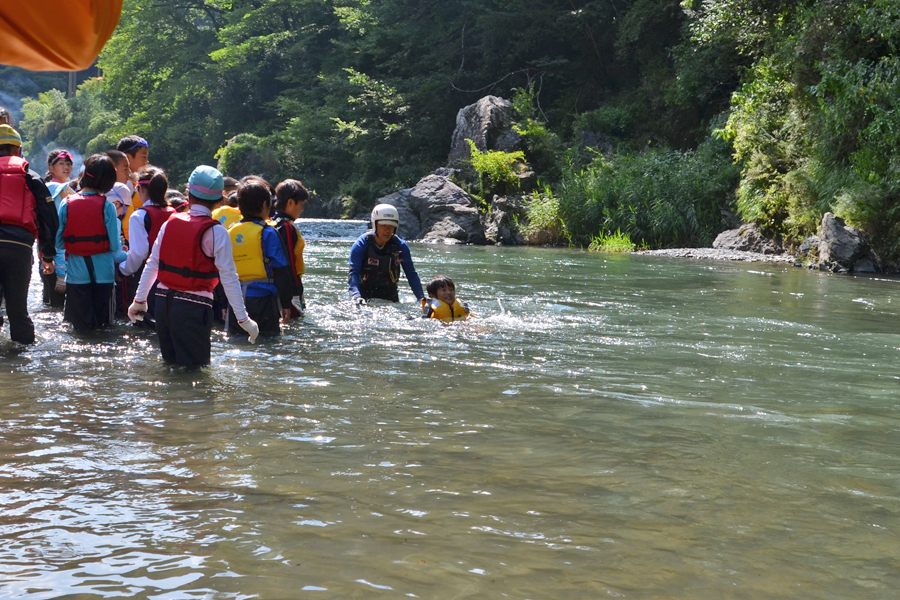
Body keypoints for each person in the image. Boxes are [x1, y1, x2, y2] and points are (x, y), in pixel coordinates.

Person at [127, 165, 259, 365]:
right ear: (219, 200)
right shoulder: (217, 232)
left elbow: (152, 265)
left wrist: (139, 300)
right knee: (194, 372)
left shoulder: (169, 223)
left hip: (163, 304)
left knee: (170, 366)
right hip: (193, 308)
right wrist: (243, 320)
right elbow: (229, 278)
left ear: (188, 193)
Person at [56, 153, 127, 333]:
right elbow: (115, 249)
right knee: (104, 330)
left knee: (81, 330)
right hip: (104, 276)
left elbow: (59, 243)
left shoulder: (66, 203)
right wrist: (128, 255)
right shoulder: (108, 206)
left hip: (76, 278)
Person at [0, 124, 58, 344]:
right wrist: (48, 254)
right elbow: (49, 217)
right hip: (19, 248)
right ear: (18, 150)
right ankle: (22, 363)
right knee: (18, 311)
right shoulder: (30, 175)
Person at [227, 179, 292, 337]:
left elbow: (222, 270)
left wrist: (223, 303)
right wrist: (285, 303)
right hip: (264, 301)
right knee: (268, 342)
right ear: (265, 205)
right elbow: (281, 270)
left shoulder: (229, 232)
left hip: (236, 302)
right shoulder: (268, 233)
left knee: (238, 342)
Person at [118, 165, 174, 327]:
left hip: (148, 280)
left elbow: (139, 254)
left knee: (146, 329)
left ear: (140, 189)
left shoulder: (139, 216)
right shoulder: (177, 215)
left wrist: (122, 270)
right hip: (175, 278)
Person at [348, 203, 424, 304]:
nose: (387, 230)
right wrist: (356, 296)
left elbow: (411, 275)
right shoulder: (361, 245)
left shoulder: (400, 246)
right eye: (383, 225)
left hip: (390, 296)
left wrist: (422, 298)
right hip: (363, 296)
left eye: (391, 226)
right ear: (375, 224)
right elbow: (353, 273)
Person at [271, 179, 308, 318]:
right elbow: (289, 264)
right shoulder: (286, 227)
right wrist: (295, 291)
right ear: (291, 202)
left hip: (277, 288)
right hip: (290, 290)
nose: (302, 209)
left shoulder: (273, 222)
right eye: (301, 204)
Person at [41, 148, 73, 307]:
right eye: (61, 163)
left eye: (69, 164)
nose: (66, 167)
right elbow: (58, 226)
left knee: (49, 300)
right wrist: (61, 271)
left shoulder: (61, 188)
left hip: (48, 250)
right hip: (56, 251)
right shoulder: (56, 189)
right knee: (57, 303)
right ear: (51, 168)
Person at [115, 135, 149, 241]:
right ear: (128, 158)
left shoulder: (135, 181)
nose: (146, 162)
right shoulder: (123, 186)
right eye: (143, 157)